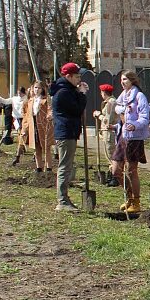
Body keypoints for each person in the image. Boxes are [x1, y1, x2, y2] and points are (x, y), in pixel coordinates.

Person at [50, 63, 90, 212]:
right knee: (65, 167)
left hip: (69, 132)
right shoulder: (63, 93)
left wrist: (78, 92)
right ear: (68, 77)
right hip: (66, 133)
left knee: (66, 166)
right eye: (77, 76)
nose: (80, 79)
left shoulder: (67, 90)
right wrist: (82, 94)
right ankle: (62, 201)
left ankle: (64, 199)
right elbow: (77, 109)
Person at [111, 70, 150, 214]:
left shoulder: (139, 96)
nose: (122, 82)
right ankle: (128, 196)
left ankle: (136, 201)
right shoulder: (124, 95)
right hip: (123, 136)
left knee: (131, 171)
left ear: (132, 80)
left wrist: (135, 124)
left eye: (125, 79)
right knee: (115, 170)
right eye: (121, 79)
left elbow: (145, 117)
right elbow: (117, 107)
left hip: (135, 138)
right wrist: (122, 110)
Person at [17, 81, 54, 171]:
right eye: (35, 88)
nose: (37, 90)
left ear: (42, 89)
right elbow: (26, 117)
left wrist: (49, 115)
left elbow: (50, 109)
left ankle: (48, 168)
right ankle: (39, 168)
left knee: (46, 147)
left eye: (39, 88)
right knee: (36, 148)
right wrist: (24, 130)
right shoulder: (29, 101)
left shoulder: (46, 99)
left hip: (44, 126)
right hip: (33, 126)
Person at [94, 84, 118, 185]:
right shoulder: (109, 102)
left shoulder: (110, 103)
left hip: (109, 133)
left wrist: (98, 115)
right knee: (110, 156)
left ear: (104, 92)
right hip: (107, 132)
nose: (100, 94)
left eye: (101, 92)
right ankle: (111, 174)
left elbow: (107, 120)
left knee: (111, 156)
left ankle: (115, 177)